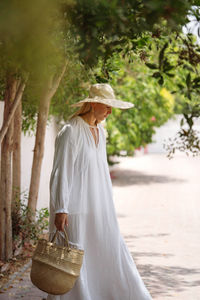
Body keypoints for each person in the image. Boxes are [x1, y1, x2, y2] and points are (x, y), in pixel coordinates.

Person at [47, 84, 152, 300]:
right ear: (93, 103)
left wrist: (107, 204)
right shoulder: (71, 131)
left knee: (106, 253)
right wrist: (61, 208)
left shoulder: (100, 132)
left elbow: (101, 172)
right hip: (75, 211)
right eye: (107, 106)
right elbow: (61, 172)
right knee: (74, 260)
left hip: (100, 207)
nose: (110, 111)